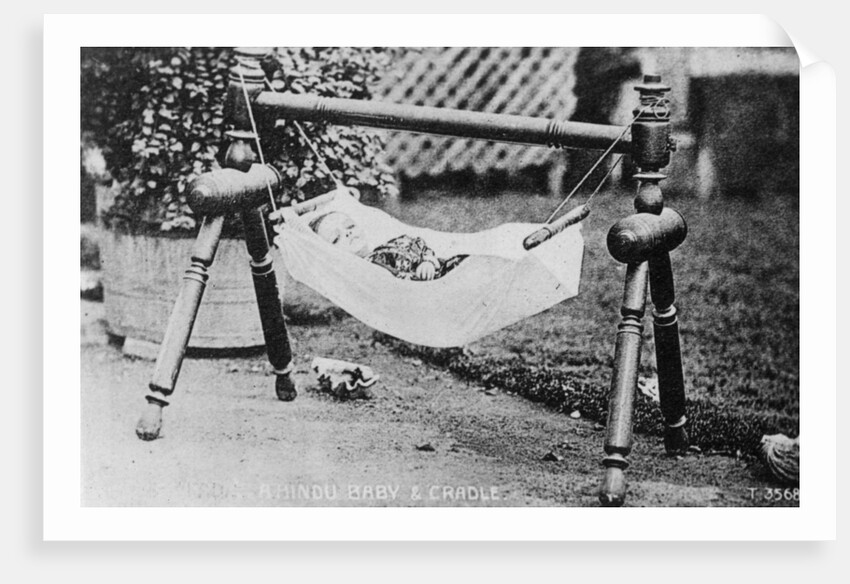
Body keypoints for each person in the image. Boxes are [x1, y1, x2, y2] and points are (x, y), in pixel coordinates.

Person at [309, 211, 465, 280]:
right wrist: (422, 273)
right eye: (336, 238)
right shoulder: (366, 271)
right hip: (435, 283)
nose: (348, 233)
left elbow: (418, 243)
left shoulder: (389, 244)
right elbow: (399, 285)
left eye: (350, 226)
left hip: (445, 265)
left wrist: (428, 261)